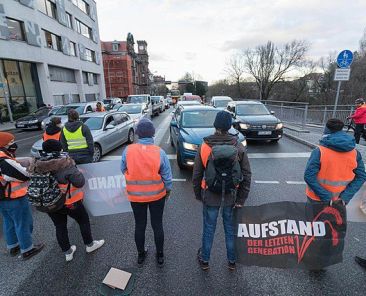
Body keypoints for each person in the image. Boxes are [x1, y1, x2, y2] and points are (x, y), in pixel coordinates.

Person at [192, 111, 252, 271]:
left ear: (215, 126)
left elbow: (197, 174)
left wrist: (199, 194)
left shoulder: (204, 146)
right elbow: (246, 175)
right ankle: (232, 261)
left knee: (209, 228)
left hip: (210, 194)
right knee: (230, 229)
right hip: (231, 195)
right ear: (229, 127)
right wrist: (241, 200)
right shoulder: (237, 146)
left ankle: (205, 260)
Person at [29, 139, 105, 262]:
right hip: (69, 201)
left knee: (60, 226)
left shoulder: (37, 164)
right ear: (59, 150)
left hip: (50, 202)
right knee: (83, 221)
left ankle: (67, 252)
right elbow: (80, 182)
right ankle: (90, 245)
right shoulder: (65, 164)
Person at [121, 118, 172, 267]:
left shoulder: (128, 150)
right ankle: (160, 255)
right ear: (152, 134)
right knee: (157, 225)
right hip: (157, 195)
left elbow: (123, 168)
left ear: (138, 134)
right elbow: (167, 177)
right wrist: (167, 191)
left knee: (140, 225)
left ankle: (141, 255)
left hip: (135, 196)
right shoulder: (159, 152)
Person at [0, 132, 44, 260]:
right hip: (14, 197)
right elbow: (24, 174)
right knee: (23, 222)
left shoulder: (5, 158)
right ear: (3, 145)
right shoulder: (4, 161)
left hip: (2, 198)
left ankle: (13, 246)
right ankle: (27, 249)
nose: (13, 144)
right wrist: (30, 166)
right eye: (10, 142)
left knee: (9, 222)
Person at [305, 118, 366, 205]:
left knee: (313, 218)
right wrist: (345, 197)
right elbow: (361, 176)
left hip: (316, 199)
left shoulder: (319, 151)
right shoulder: (355, 153)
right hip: (340, 201)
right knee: (335, 219)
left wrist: (326, 197)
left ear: (326, 130)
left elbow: (309, 176)